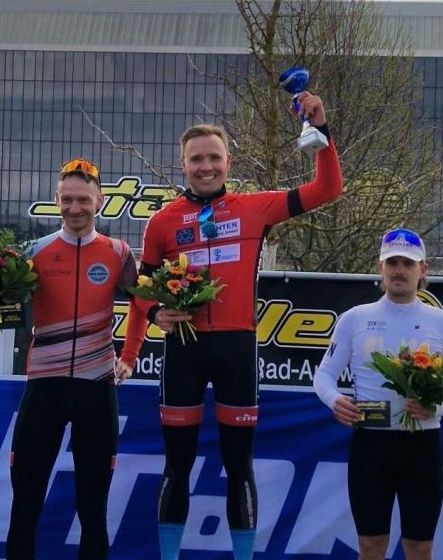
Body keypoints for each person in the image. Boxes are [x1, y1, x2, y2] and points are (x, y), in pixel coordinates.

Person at [123, 93, 342, 560]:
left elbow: (327, 189)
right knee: (177, 465)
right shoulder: (161, 222)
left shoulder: (254, 207)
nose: (206, 167)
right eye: (196, 159)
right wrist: (155, 313)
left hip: (237, 350)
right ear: (183, 165)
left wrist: (321, 131)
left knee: (239, 466)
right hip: (184, 352)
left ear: (229, 161)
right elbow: (141, 286)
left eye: (214, 158)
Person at [0, 158, 144, 560]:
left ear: (99, 201)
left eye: (83, 199)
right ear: (56, 200)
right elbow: (7, 304)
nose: (75, 208)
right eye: (67, 199)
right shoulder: (34, 252)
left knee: (92, 507)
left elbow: (142, 303)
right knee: (25, 502)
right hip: (44, 387)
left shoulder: (118, 253)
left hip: (97, 388)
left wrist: (129, 355)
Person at [313, 228, 443, 560]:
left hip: (422, 445)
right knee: (370, 545)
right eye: (392, 263)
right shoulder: (355, 319)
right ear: (380, 268)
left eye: (407, 263)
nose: (399, 270)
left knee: (419, 547)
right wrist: (335, 400)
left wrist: (436, 408)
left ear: (422, 270)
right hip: (371, 443)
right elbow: (324, 375)